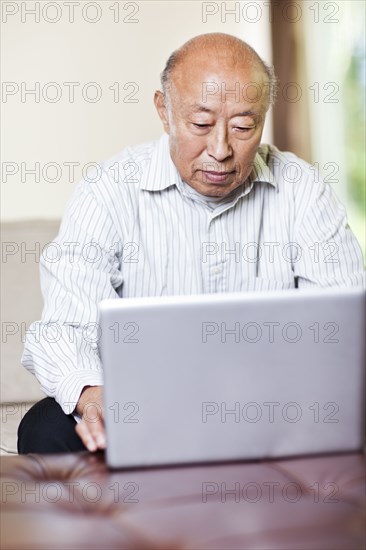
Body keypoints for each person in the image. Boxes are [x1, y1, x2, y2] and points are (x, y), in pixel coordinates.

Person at [18, 33, 365, 454]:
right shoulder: (108, 190)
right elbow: (64, 327)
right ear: (164, 112)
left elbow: (342, 327)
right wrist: (93, 393)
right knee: (44, 428)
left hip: (268, 404)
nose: (220, 150)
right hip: (143, 402)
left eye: (243, 126)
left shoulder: (303, 190)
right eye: (200, 125)